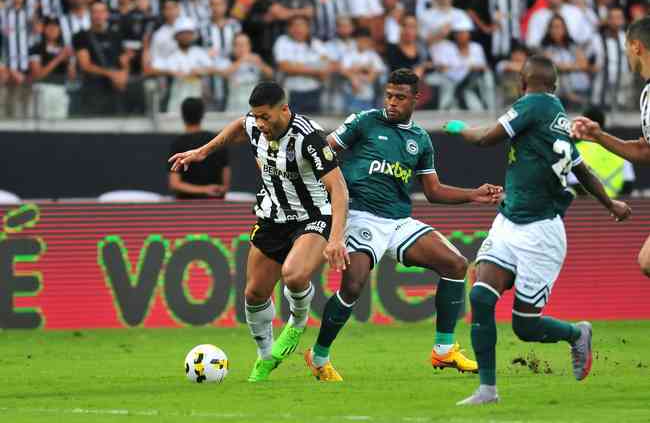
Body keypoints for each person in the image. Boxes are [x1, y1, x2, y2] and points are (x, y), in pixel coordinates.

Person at [443, 55, 631, 405]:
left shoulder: (532, 105)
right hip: (510, 221)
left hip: (541, 233)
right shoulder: (558, 118)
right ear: (555, 84)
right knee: (481, 296)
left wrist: (458, 129)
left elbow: (486, 138)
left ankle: (576, 334)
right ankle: (487, 390)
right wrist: (612, 204)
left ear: (523, 83)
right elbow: (583, 170)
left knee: (525, 326)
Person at [303, 68, 503, 382]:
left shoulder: (419, 140)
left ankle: (444, 350)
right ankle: (318, 356)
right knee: (353, 285)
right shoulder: (364, 122)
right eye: (389, 96)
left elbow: (433, 191)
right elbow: (323, 154)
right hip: (359, 215)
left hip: (397, 221)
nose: (392, 103)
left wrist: (473, 194)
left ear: (415, 99)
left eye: (400, 97)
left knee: (455, 264)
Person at [169, 81, 349, 383]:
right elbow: (240, 125)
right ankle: (265, 355)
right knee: (254, 293)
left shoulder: (309, 138)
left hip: (313, 216)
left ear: (284, 109)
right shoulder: (254, 123)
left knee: (294, 274)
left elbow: (339, 190)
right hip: (272, 216)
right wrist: (203, 152)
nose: (260, 123)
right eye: (257, 116)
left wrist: (336, 238)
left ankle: (298, 320)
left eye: (266, 116)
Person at [572, 16, 650, 275]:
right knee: (647, 262)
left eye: (627, 46)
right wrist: (599, 136)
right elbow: (644, 151)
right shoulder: (646, 93)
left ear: (637, 47)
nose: (626, 52)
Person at [168, 97, 231, 199]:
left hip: (185, 208)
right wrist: (209, 189)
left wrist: (204, 190)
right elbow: (225, 185)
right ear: (202, 114)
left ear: (182, 115)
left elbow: (174, 184)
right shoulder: (216, 142)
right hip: (216, 207)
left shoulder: (177, 144)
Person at [29, 16, 75, 119]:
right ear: (44, 30)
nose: (53, 31)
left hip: (61, 89)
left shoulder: (64, 49)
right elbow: (37, 75)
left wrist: (70, 61)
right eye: (50, 28)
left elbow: (72, 76)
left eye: (56, 28)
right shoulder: (36, 48)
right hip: (42, 90)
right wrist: (58, 59)